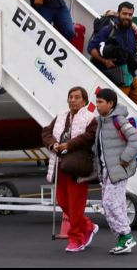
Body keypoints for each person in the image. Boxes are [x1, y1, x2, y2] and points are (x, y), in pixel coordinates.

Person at [41, 87, 98, 253]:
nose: (72, 100)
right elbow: (46, 131)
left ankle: (76, 239)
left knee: (76, 204)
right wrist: (53, 144)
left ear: (85, 101)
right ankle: (88, 225)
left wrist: (69, 144)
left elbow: (90, 136)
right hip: (60, 165)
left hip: (77, 166)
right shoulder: (61, 115)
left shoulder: (90, 118)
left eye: (77, 97)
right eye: (70, 97)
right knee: (62, 201)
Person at [93, 88, 137, 255]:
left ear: (110, 104)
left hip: (118, 171)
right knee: (117, 204)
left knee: (110, 203)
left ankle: (126, 236)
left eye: (100, 102)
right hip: (108, 171)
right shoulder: (102, 121)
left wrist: (124, 159)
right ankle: (123, 239)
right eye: (97, 101)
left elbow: (136, 139)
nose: (97, 105)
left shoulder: (119, 120)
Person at [87, 2, 137, 110]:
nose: (127, 17)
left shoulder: (133, 31)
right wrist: (105, 61)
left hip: (130, 73)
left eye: (130, 14)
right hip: (117, 74)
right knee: (118, 106)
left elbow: (133, 51)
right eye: (124, 14)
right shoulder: (109, 29)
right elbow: (90, 48)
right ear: (118, 13)